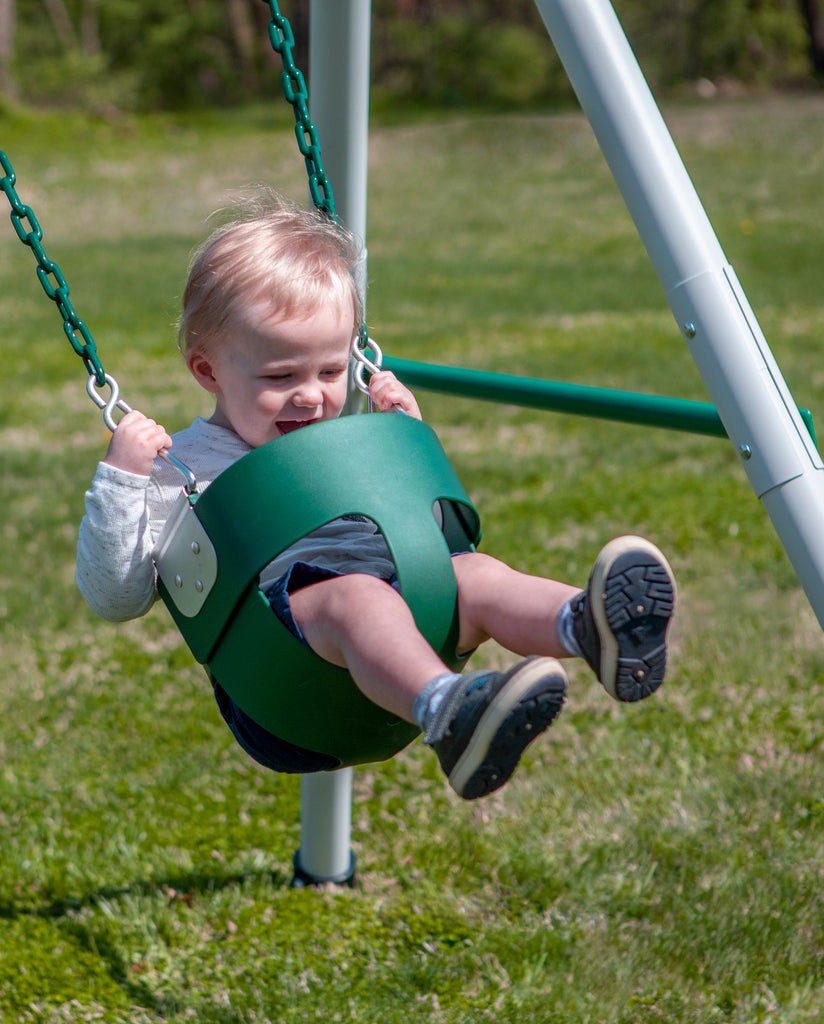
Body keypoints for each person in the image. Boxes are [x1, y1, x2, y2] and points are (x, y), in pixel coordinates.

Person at [76, 187, 676, 800]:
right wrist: (122, 478)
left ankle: (589, 629)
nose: (311, 396)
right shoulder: (181, 464)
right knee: (356, 596)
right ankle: (450, 713)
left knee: (474, 573)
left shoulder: (345, 441)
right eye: (280, 377)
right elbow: (116, 598)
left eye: (331, 371)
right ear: (208, 372)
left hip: (396, 620)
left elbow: (434, 531)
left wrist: (403, 440)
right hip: (283, 686)